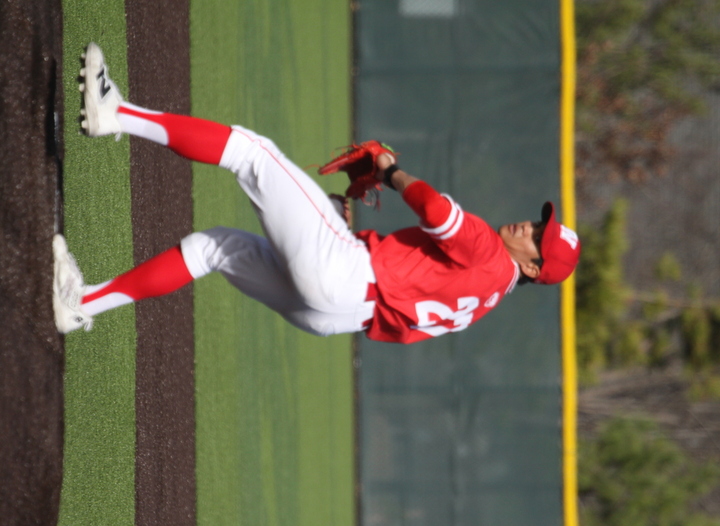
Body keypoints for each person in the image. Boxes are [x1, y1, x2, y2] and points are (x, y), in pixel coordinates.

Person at [52, 43, 581, 344]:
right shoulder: (488, 298)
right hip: (340, 314)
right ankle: (82, 303)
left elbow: (438, 212)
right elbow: (408, 293)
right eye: (540, 223)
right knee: (216, 248)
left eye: (539, 238)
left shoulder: (491, 254)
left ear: (534, 269)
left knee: (254, 153)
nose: (529, 228)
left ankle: (116, 114)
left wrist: (391, 170)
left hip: (348, 279)